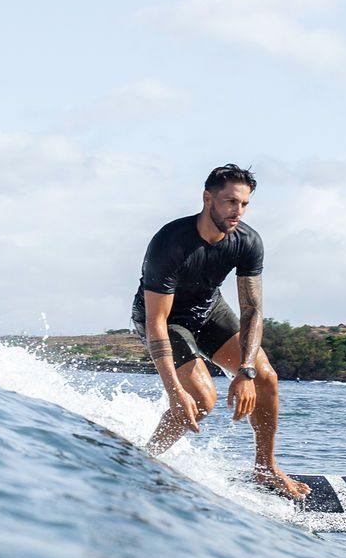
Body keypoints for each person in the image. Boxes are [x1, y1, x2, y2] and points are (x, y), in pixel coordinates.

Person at [131, 164, 310, 501]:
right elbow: (156, 321)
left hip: (209, 310)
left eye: (244, 204)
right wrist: (174, 391)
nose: (237, 211)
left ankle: (265, 468)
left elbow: (252, 310)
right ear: (207, 199)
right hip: (166, 320)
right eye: (230, 202)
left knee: (266, 377)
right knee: (201, 399)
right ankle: (143, 461)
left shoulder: (247, 241)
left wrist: (246, 370)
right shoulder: (171, 242)